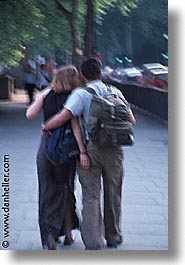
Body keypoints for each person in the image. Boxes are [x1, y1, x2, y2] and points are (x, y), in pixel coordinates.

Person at [43, 58, 136, 250]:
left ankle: (93, 242)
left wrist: (46, 126)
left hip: (90, 150)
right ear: (101, 74)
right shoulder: (115, 91)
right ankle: (113, 236)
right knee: (113, 194)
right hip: (115, 151)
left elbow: (64, 117)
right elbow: (131, 120)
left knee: (91, 196)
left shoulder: (81, 93)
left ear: (83, 76)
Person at [26, 65, 89, 250]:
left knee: (46, 191)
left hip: (46, 146)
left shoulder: (48, 94)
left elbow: (29, 114)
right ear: (72, 78)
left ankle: (49, 237)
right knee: (65, 189)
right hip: (66, 148)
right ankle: (68, 233)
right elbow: (75, 125)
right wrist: (82, 151)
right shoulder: (74, 96)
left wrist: (44, 94)